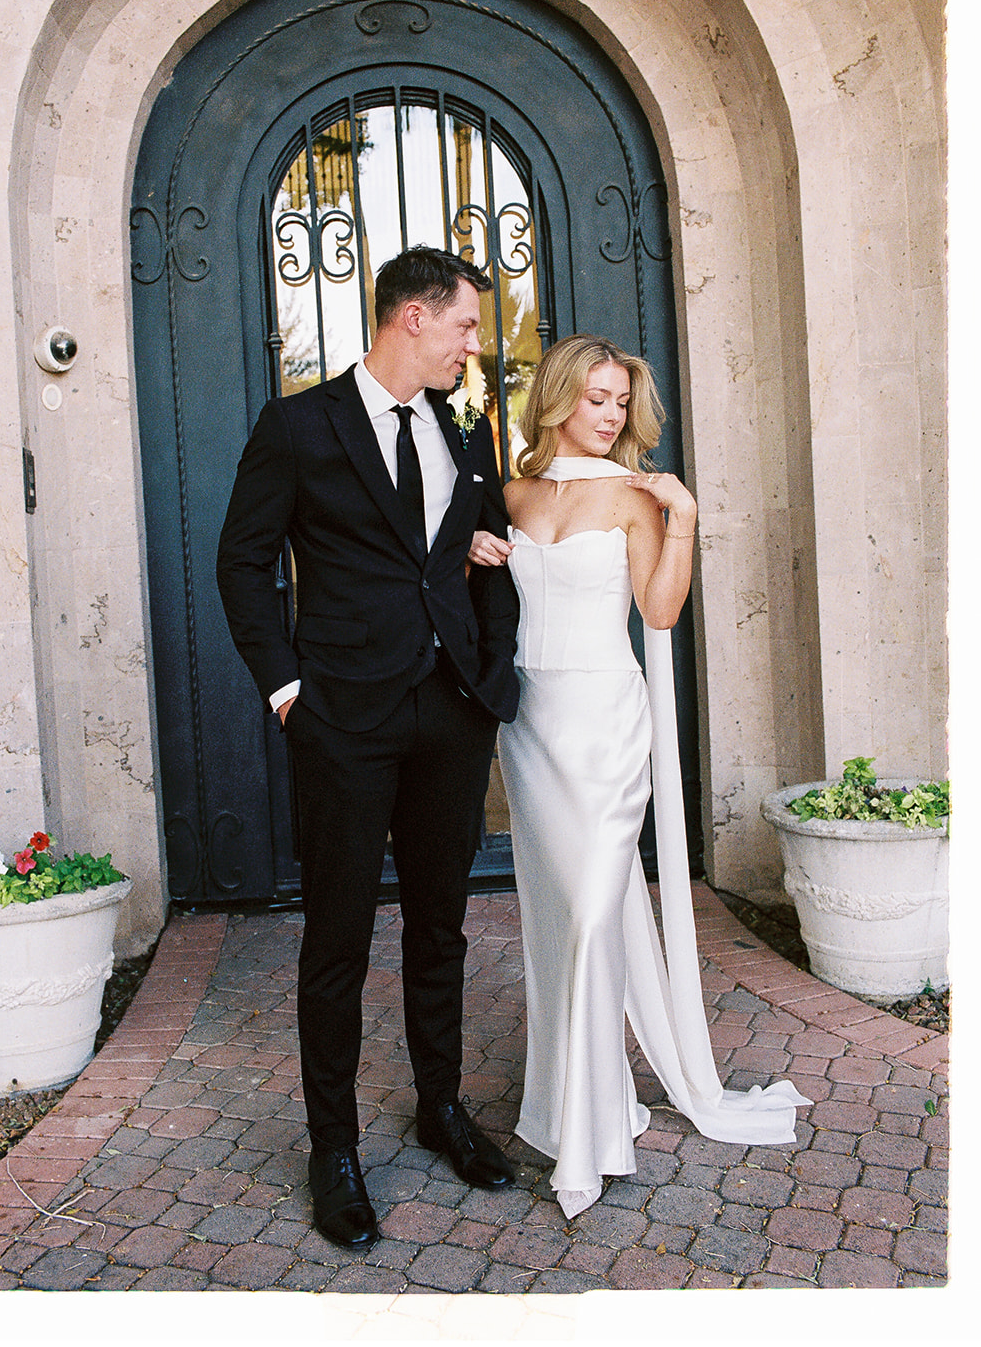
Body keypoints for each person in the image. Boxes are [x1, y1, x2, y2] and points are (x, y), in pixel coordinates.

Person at [216, 246, 521, 1251]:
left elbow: (463, 550)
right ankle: (333, 1148)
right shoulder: (299, 425)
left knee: (441, 925)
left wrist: (479, 588)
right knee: (336, 939)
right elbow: (242, 559)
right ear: (411, 320)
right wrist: (288, 688)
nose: (474, 344)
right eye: (465, 326)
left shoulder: (460, 426)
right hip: (342, 718)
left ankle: (440, 1108)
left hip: (448, 712)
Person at [469, 334, 809, 1218]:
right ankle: (571, 1107)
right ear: (557, 401)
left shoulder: (633, 497)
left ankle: (588, 1143)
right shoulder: (511, 493)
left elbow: (659, 609)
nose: (612, 414)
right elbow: (477, 605)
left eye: (621, 401)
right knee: (555, 921)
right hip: (532, 725)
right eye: (597, 399)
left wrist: (685, 514)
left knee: (590, 915)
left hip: (608, 722)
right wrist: (477, 556)